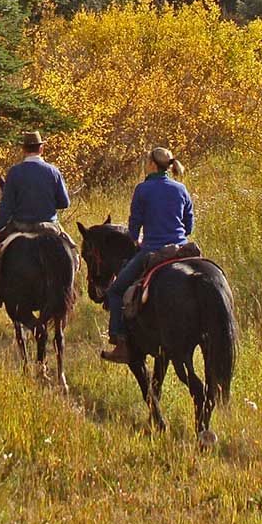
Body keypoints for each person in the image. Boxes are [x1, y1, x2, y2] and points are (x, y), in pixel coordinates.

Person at [100, 146, 193, 364]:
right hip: (181, 249)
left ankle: (121, 344)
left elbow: (133, 229)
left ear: (152, 164)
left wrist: (137, 239)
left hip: (153, 249)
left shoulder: (143, 189)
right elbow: (188, 226)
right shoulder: (181, 188)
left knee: (114, 291)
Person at [0, 130, 71, 310]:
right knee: (73, 253)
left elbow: (6, 208)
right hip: (49, 227)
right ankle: (71, 290)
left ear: (23, 149)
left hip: (20, 226)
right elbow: (64, 202)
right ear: (41, 148)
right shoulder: (53, 171)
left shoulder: (14, 173)